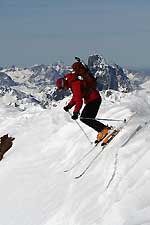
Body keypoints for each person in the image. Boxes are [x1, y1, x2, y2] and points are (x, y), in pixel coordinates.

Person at [56, 70, 110, 142]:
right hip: (93, 99)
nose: (63, 90)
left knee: (85, 118)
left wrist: (75, 113)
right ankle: (102, 130)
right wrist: (69, 106)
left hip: (94, 99)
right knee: (88, 118)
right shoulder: (72, 82)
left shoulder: (75, 85)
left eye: (62, 88)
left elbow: (79, 101)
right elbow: (76, 97)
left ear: (64, 84)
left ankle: (104, 130)